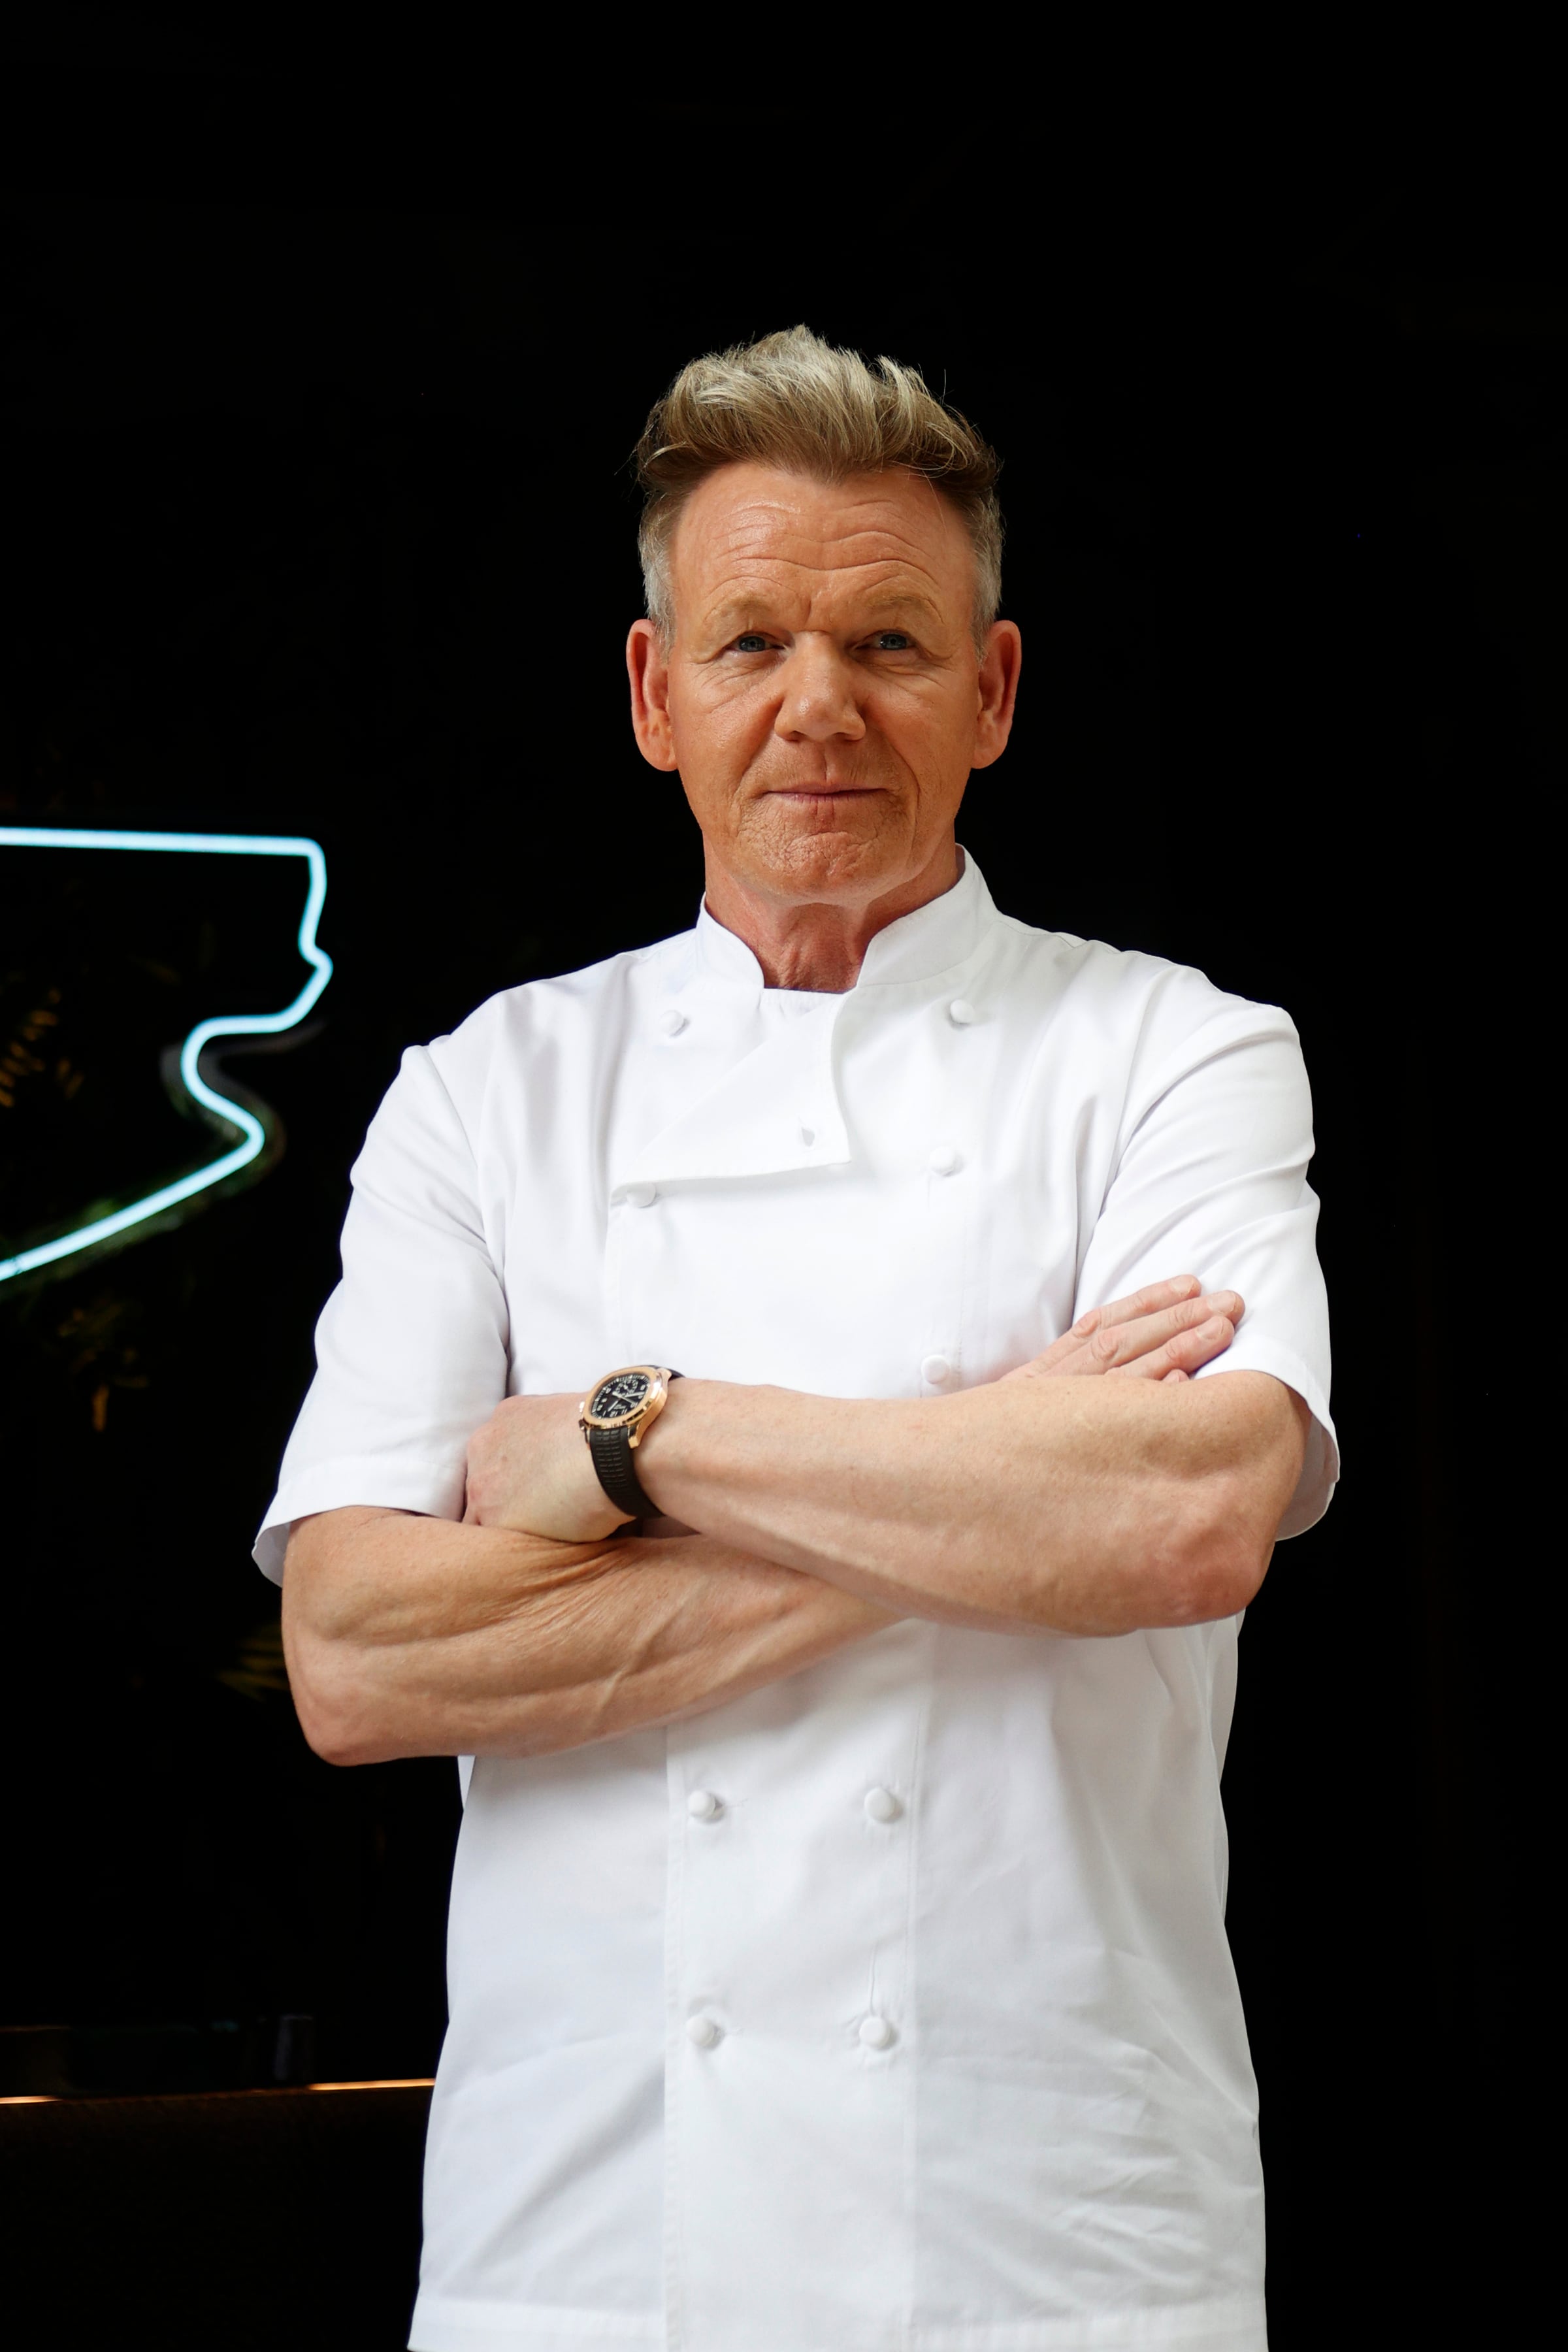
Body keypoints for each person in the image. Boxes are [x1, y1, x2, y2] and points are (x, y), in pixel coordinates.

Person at [263, 325, 1336, 2352]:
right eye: (752, 645)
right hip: (589, 2238)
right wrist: (1008, 1466)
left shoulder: (1176, 1052)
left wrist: (628, 1434)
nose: (818, 710)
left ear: (995, 691)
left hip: (1054, 2239)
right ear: (656, 697)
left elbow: (1189, 1519)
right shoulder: (491, 1090)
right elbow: (358, 1651)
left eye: (893, 647)